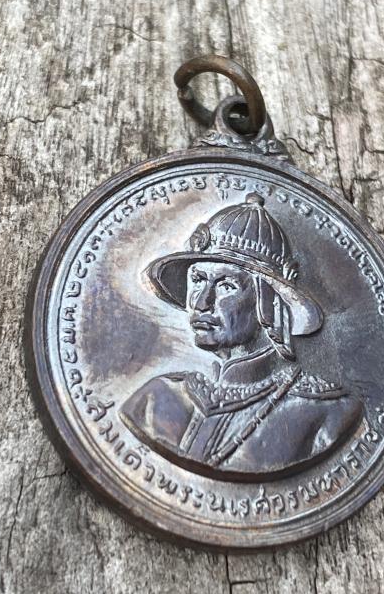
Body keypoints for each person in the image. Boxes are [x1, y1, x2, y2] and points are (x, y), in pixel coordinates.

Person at [120, 193, 363, 479]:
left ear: (268, 303)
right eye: (197, 280)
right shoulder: (155, 398)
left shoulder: (326, 411)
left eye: (226, 286)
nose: (201, 303)